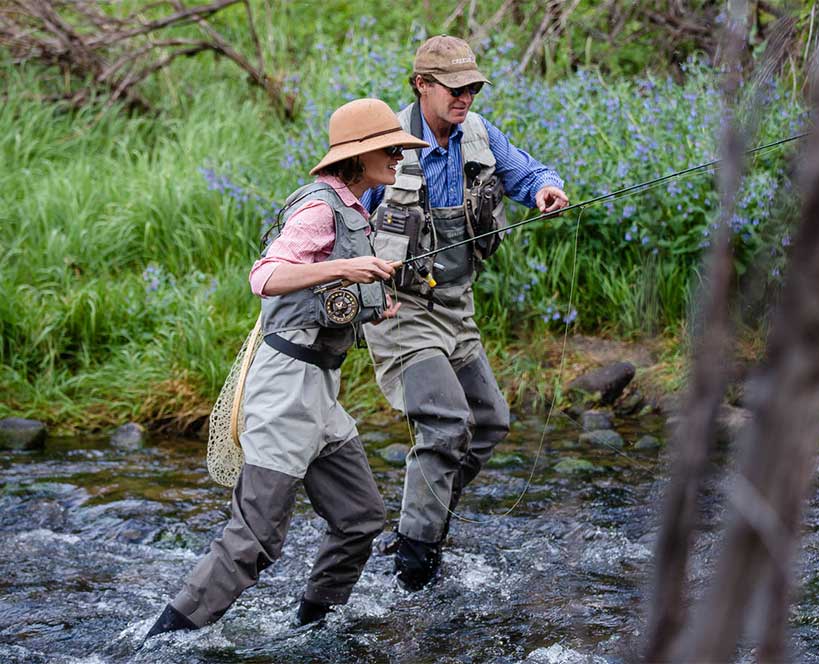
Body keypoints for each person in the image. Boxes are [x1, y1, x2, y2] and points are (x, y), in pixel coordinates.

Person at [143, 98, 429, 642]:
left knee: (361, 519)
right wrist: (347, 267)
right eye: (390, 148)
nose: (399, 155)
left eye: (400, 146)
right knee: (253, 541)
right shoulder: (320, 208)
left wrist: (376, 300)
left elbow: (324, 298)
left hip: (320, 390)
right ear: (359, 155)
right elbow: (266, 275)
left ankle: (310, 629)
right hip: (283, 391)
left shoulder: (357, 209)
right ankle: (159, 645)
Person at [360, 35, 570, 590]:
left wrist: (547, 190)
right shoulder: (387, 146)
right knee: (447, 423)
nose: (466, 97)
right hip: (399, 311)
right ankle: (414, 563)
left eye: (473, 87)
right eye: (455, 88)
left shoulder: (479, 134)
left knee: (491, 421)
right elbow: (344, 221)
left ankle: (417, 526)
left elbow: (527, 173)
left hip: (457, 309)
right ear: (422, 85)